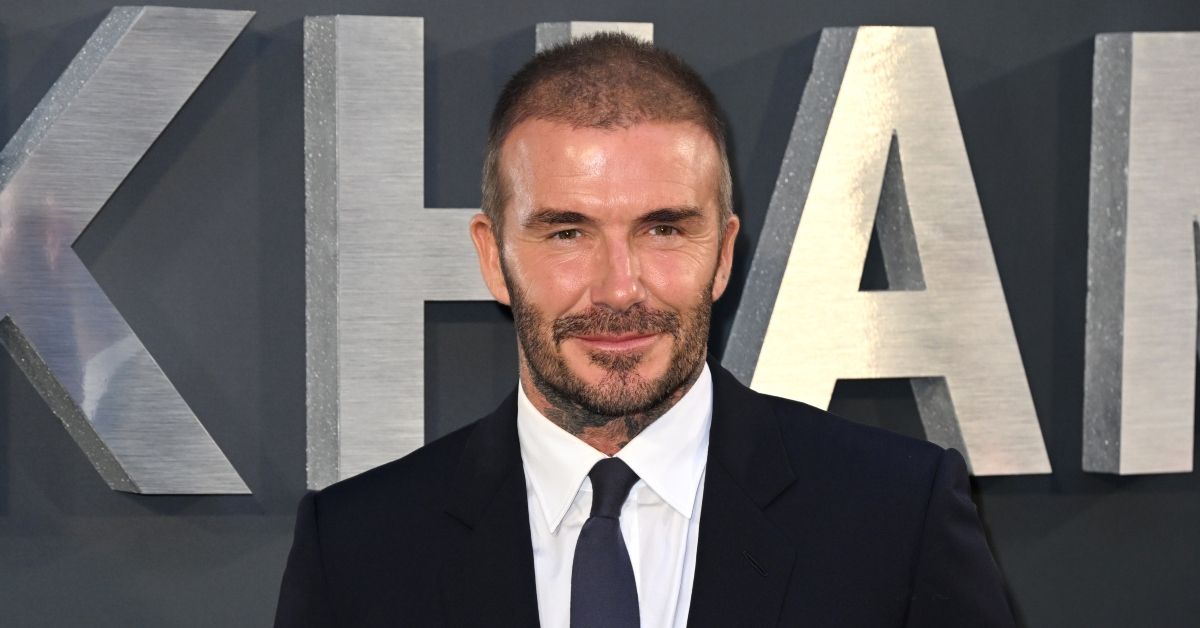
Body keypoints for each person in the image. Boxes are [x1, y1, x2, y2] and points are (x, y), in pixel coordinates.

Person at [274, 33, 1016, 628]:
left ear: (722, 254)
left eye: (664, 229)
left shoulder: (896, 516)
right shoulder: (356, 550)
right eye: (567, 233)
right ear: (493, 259)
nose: (619, 288)